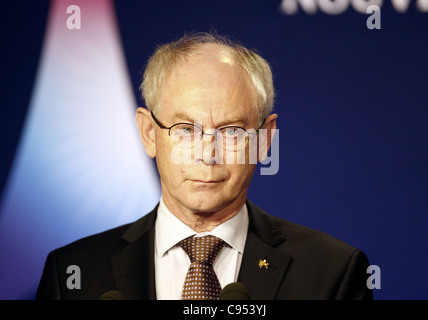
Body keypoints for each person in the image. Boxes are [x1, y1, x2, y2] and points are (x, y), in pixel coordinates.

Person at [36, 32, 372, 300]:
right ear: (149, 134)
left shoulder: (331, 273)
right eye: (185, 130)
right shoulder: (73, 273)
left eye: (231, 131)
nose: (206, 153)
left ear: (264, 139)